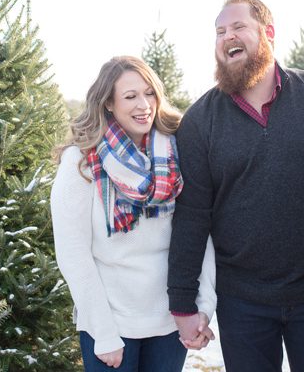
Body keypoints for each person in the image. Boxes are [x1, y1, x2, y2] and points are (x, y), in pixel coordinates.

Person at [167, 0, 304, 372]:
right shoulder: (201, 120)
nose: (226, 37)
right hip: (241, 302)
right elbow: (191, 217)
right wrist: (183, 302)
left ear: (268, 33)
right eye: (220, 31)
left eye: (237, 28)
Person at [52, 55, 216, 371]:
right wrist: (104, 333)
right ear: (108, 104)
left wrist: (204, 307)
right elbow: (73, 255)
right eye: (130, 96)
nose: (144, 105)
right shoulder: (81, 163)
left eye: (149, 93)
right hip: (111, 324)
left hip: (170, 323)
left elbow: (199, 231)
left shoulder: (177, 154)